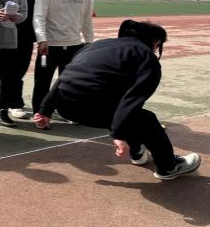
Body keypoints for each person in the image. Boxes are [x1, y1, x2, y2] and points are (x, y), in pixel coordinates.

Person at [34, 20, 201, 180]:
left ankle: (137, 151)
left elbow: (65, 76)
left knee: (119, 110)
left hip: (64, 106)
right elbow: (132, 100)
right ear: (155, 42)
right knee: (146, 120)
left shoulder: (96, 45)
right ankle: (168, 166)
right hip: (90, 107)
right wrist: (118, 134)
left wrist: (45, 110)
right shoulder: (146, 57)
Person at [32, 0, 95, 129]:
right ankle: (40, 115)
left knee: (70, 83)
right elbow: (38, 18)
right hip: (50, 46)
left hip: (75, 46)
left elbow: (86, 19)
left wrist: (89, 41)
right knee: (43, 82)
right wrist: (42, 39)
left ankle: (67, 112)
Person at [9, 0, 40, 120]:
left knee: (20, 69)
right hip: (5, 36)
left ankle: (8, 98)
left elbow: (38, 16)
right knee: (10, 70)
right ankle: (14, 103)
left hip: (25, 37)